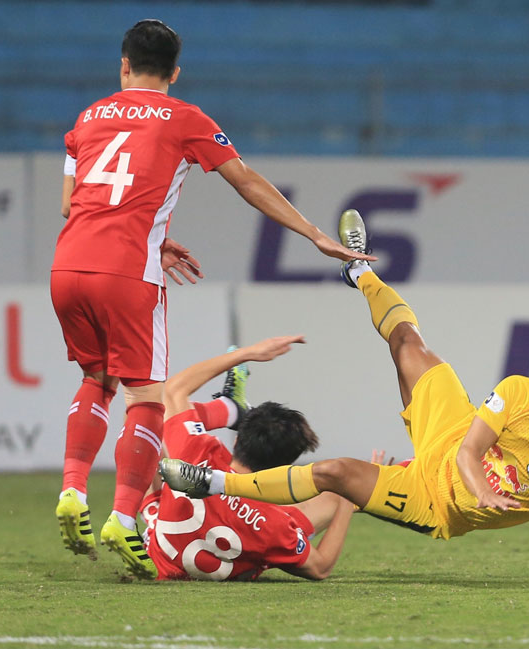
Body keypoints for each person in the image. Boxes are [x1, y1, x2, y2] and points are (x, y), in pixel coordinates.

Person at [51, 19, 374, 579]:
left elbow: (71, 204)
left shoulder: (88, 117)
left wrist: (156, 235)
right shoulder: (185, 118)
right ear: (175, 72)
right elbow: (246, 181)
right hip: (127, 271)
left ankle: (72, 489)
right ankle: (123, 519)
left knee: (95, 379)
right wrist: (314, 235)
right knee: (148, 397)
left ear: (122, 64)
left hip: (67, 265)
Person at [161, 209, 529, 593]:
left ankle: (213, 484)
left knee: (335, 472)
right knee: (407, 342)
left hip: (430, 501)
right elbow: (470, 451)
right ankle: (360, 272)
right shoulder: (517, 391)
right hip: (453, 434)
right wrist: (483, 490)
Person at [140, 337, 353, 581]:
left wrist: (246, 354)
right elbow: (320, 567)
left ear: (237, 440)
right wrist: (349, 497)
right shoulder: (275, 524)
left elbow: (174, 390)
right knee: (336, 495)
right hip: (257, 528)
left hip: (157, 557)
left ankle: (229, 408)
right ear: (285, 468)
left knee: (144, 419)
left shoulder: (199, 450)